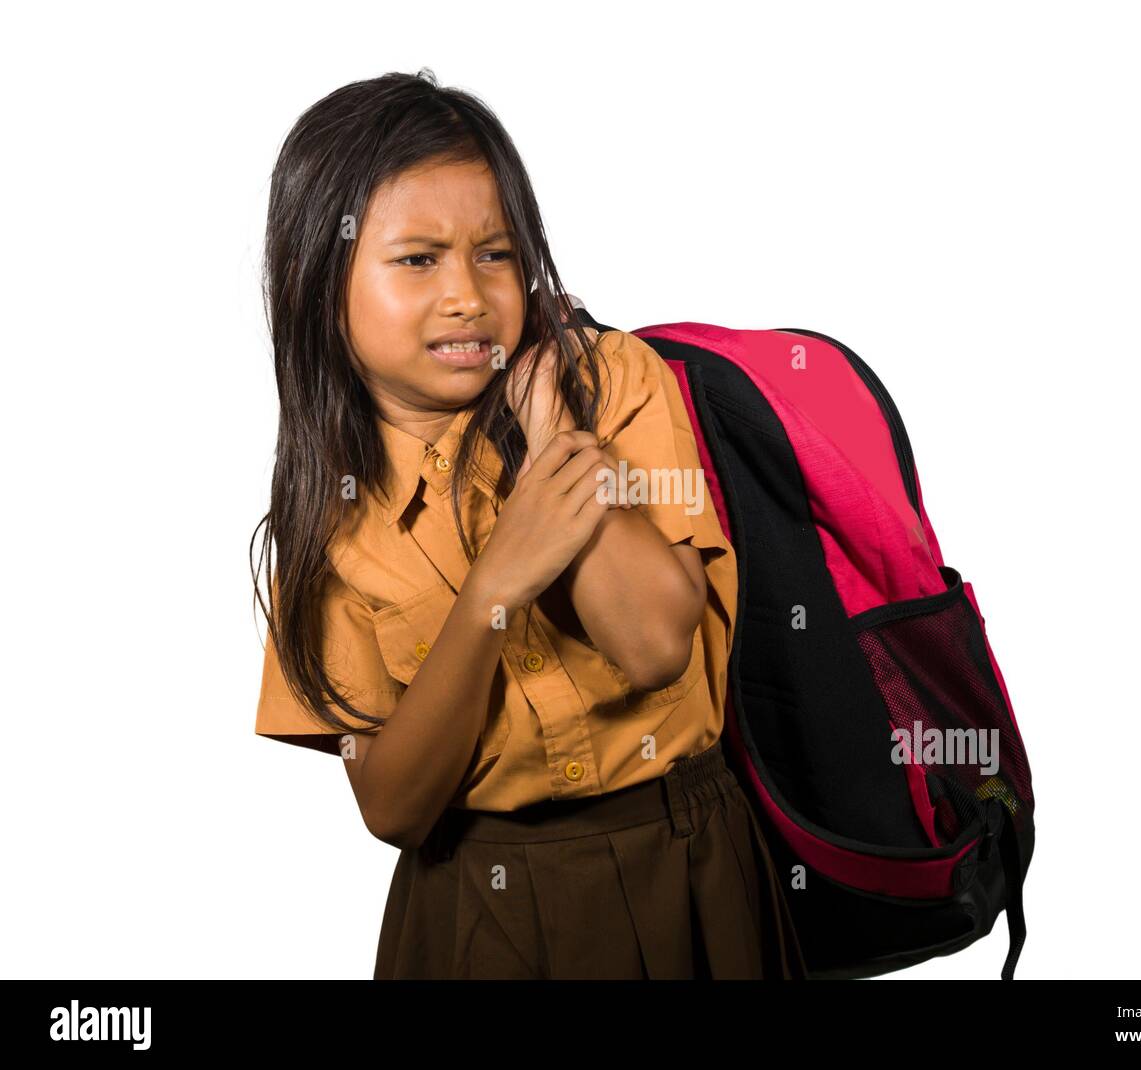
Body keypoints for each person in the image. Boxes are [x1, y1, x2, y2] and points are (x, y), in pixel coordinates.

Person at [249, 68, 806, 979]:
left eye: (497, 253)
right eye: (418, 259)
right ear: (321, 282)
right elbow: (393, 806)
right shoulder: (324, 522)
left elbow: (659, 642)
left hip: (689, 874)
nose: (468, 294)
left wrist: (555, 437)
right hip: (476, 915)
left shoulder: (612, 383)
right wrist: (496, 588)